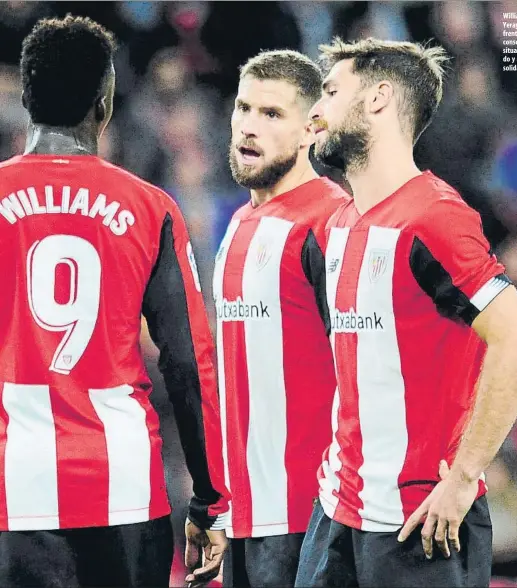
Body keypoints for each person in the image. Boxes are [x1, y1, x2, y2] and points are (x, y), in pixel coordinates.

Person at [296, 37, 517, 588]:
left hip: (418, 521)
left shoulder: (433, 218)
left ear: (379, 98)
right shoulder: (338, 224)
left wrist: (463, 479)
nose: (317, 109)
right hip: (336, 509)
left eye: (332, 91)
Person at [0, 16, 229, 588]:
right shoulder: (152, 210)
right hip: (123, 487)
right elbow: (188, 363)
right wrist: (208, 498)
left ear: (26, 101)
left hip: (11, 486)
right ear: (105, 105)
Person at [191, 49, 348, 588]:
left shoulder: (331, 221)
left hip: (311, 518)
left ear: (311, 129)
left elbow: (363, 369)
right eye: (244, 108)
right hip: (243, 518)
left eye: (272, 114)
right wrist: (216, 504)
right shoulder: (236, 224)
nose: (249, 128)